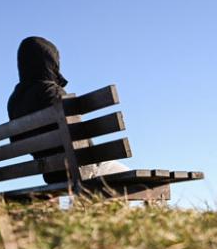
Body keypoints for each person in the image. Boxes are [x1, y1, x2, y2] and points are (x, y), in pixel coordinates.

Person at [7, 36, 127, 184]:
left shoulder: (14, 101)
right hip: (82, 169)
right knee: (147, 182)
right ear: (50, 61)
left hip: (50, 175)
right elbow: (80, 136)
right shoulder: (53, 93)